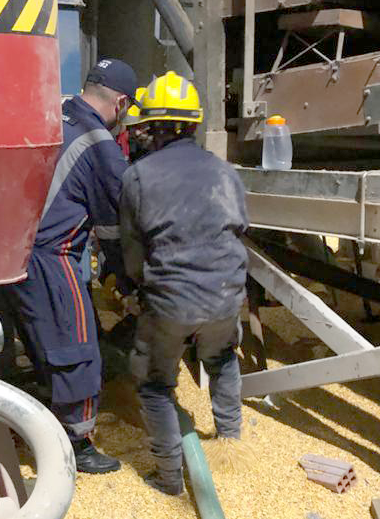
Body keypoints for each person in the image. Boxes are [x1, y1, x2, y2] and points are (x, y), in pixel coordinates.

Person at [0, 58, 139, 474]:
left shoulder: (50, 111)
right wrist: (125, 278)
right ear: (122, 102)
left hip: (0, 248)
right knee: (77, 346)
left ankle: (7, 418)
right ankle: (77, 444)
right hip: (49, 255)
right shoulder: (100, 145)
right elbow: (114, 227)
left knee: (27, 340)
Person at [120, 71, 249, 495]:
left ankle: (170, 479)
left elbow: (134, 255)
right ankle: (231, 440)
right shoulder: (225, 172)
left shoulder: (138, 177)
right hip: (227, 294)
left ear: (152, 126)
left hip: (172, 302)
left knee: (155, 383)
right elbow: (240, 227)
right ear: (193, 124)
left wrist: (140, 289)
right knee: (223, 357)